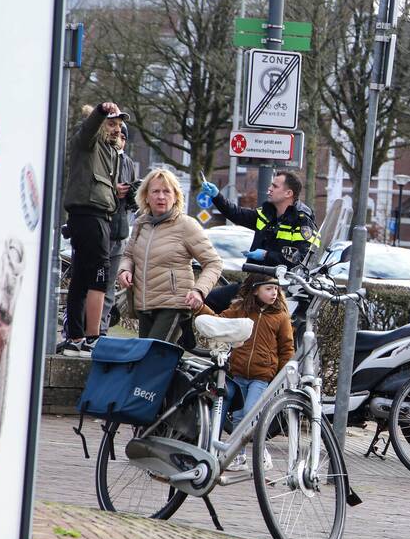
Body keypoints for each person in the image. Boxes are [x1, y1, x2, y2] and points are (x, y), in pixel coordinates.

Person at [196, 273, 294, 472]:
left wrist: (280, 377)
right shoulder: (240, 310)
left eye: (276, 289)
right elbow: (219, 322)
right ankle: (235, 456)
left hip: (262, 377)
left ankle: (254, 453)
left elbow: (287, 348)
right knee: (233, 413)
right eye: (268, 289)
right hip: (238, 374)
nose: (274, 293)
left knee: (248, 413)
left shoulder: (281, 317)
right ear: (255, 290)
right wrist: (199, 308)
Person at [117, 168, 223, 342]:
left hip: (174, 305)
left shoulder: (187, 225)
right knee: (146, 355)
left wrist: (198, 291)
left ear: (176, 196)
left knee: (152, 354)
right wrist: (124, 270)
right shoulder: (141, 224)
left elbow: (214, 263)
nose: (161, 197)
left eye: (167, 191)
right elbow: (128, 255)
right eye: (155, 191)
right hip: (144, 304)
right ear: (146, 196)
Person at [62, 101, 130, 356]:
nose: (117, 129)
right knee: (100, 275)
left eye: (119, 125)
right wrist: (101, 111)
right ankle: (93, 337)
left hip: (95, 216)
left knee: (81, 277)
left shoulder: (110, 152)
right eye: (111, 124)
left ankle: (76, 337)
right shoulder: (88, 142)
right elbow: (89, 128)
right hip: (90, 216)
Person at [201, 171, 319, 312]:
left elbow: (302, 260)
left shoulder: (302, 221)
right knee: (207, 300)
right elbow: (237, 214)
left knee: (213, 302)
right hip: (256, 285)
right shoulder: (267, 213)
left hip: (280, 291)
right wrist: (217, 196)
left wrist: (266, 255)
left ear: (288, 193)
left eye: (275, 186)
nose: (269, 189)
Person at [101, 122, 138, 336]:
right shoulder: (100, 157)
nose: (120, 141)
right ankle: (86, 329)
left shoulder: (128, 162)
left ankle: (101, 329)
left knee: (108, 286)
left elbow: (132, 202)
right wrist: (112, 191)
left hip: (119, 229)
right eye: (117, 136)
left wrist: (133, 194)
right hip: (101, 227)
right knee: (95, 283)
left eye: (123, 137)